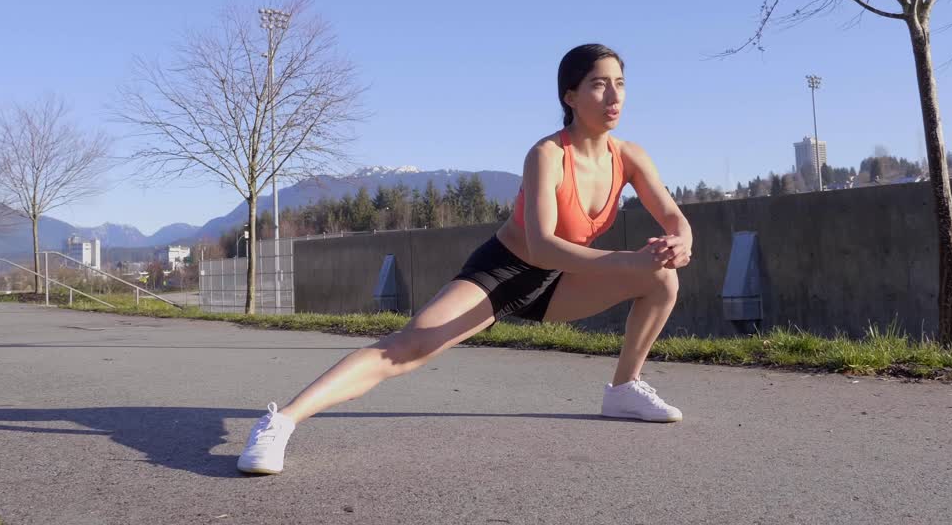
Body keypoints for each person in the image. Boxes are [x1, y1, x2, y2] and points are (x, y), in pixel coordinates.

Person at [238, 43, 693, 475]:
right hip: (502, 273)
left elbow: (672, 215)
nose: (614, 95)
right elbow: (541, 246)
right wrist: (621, 260)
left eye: (620, 82)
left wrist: (681, 239)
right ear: (570, 96)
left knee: (661, 279)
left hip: (560, 281)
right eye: (598, 84)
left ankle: (622, 390)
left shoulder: (629, 156)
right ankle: (280, 423)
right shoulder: (548, 154)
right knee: (406, 348)